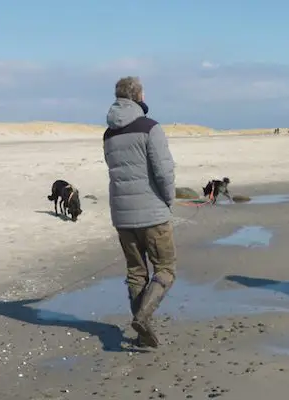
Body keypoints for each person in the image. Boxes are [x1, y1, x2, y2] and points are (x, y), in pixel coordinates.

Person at [103, 76, 177, 348]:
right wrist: (169, 201)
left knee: (136, 272)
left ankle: (141, 330)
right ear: (138, 96)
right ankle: (143, 317)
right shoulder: (150, 128)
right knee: (166, 269)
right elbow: (163, 171)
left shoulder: (109, 133)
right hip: (152, 215)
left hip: (123, 216)